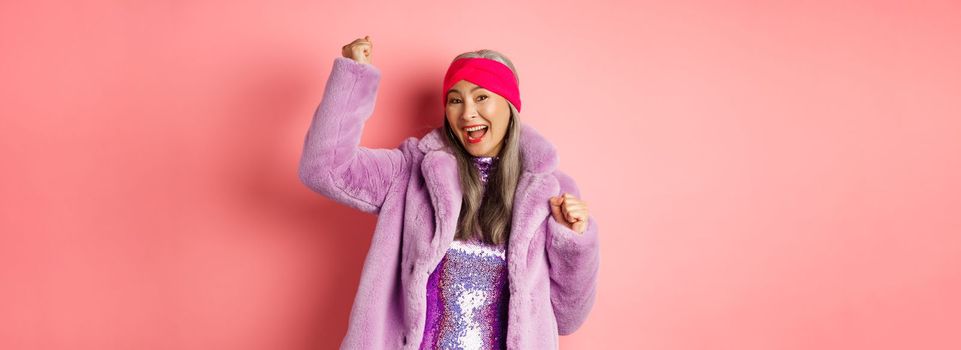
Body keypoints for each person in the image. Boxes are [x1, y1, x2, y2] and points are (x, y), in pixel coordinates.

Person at [298, 35, 600, 350]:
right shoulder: (412, 171)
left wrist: (573, 244)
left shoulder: (549, 194)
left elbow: (568, 318)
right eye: (455, 100)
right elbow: (325, 168)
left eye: (481, 97)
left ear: (509, 106)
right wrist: (354, 75)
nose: (467, 113)